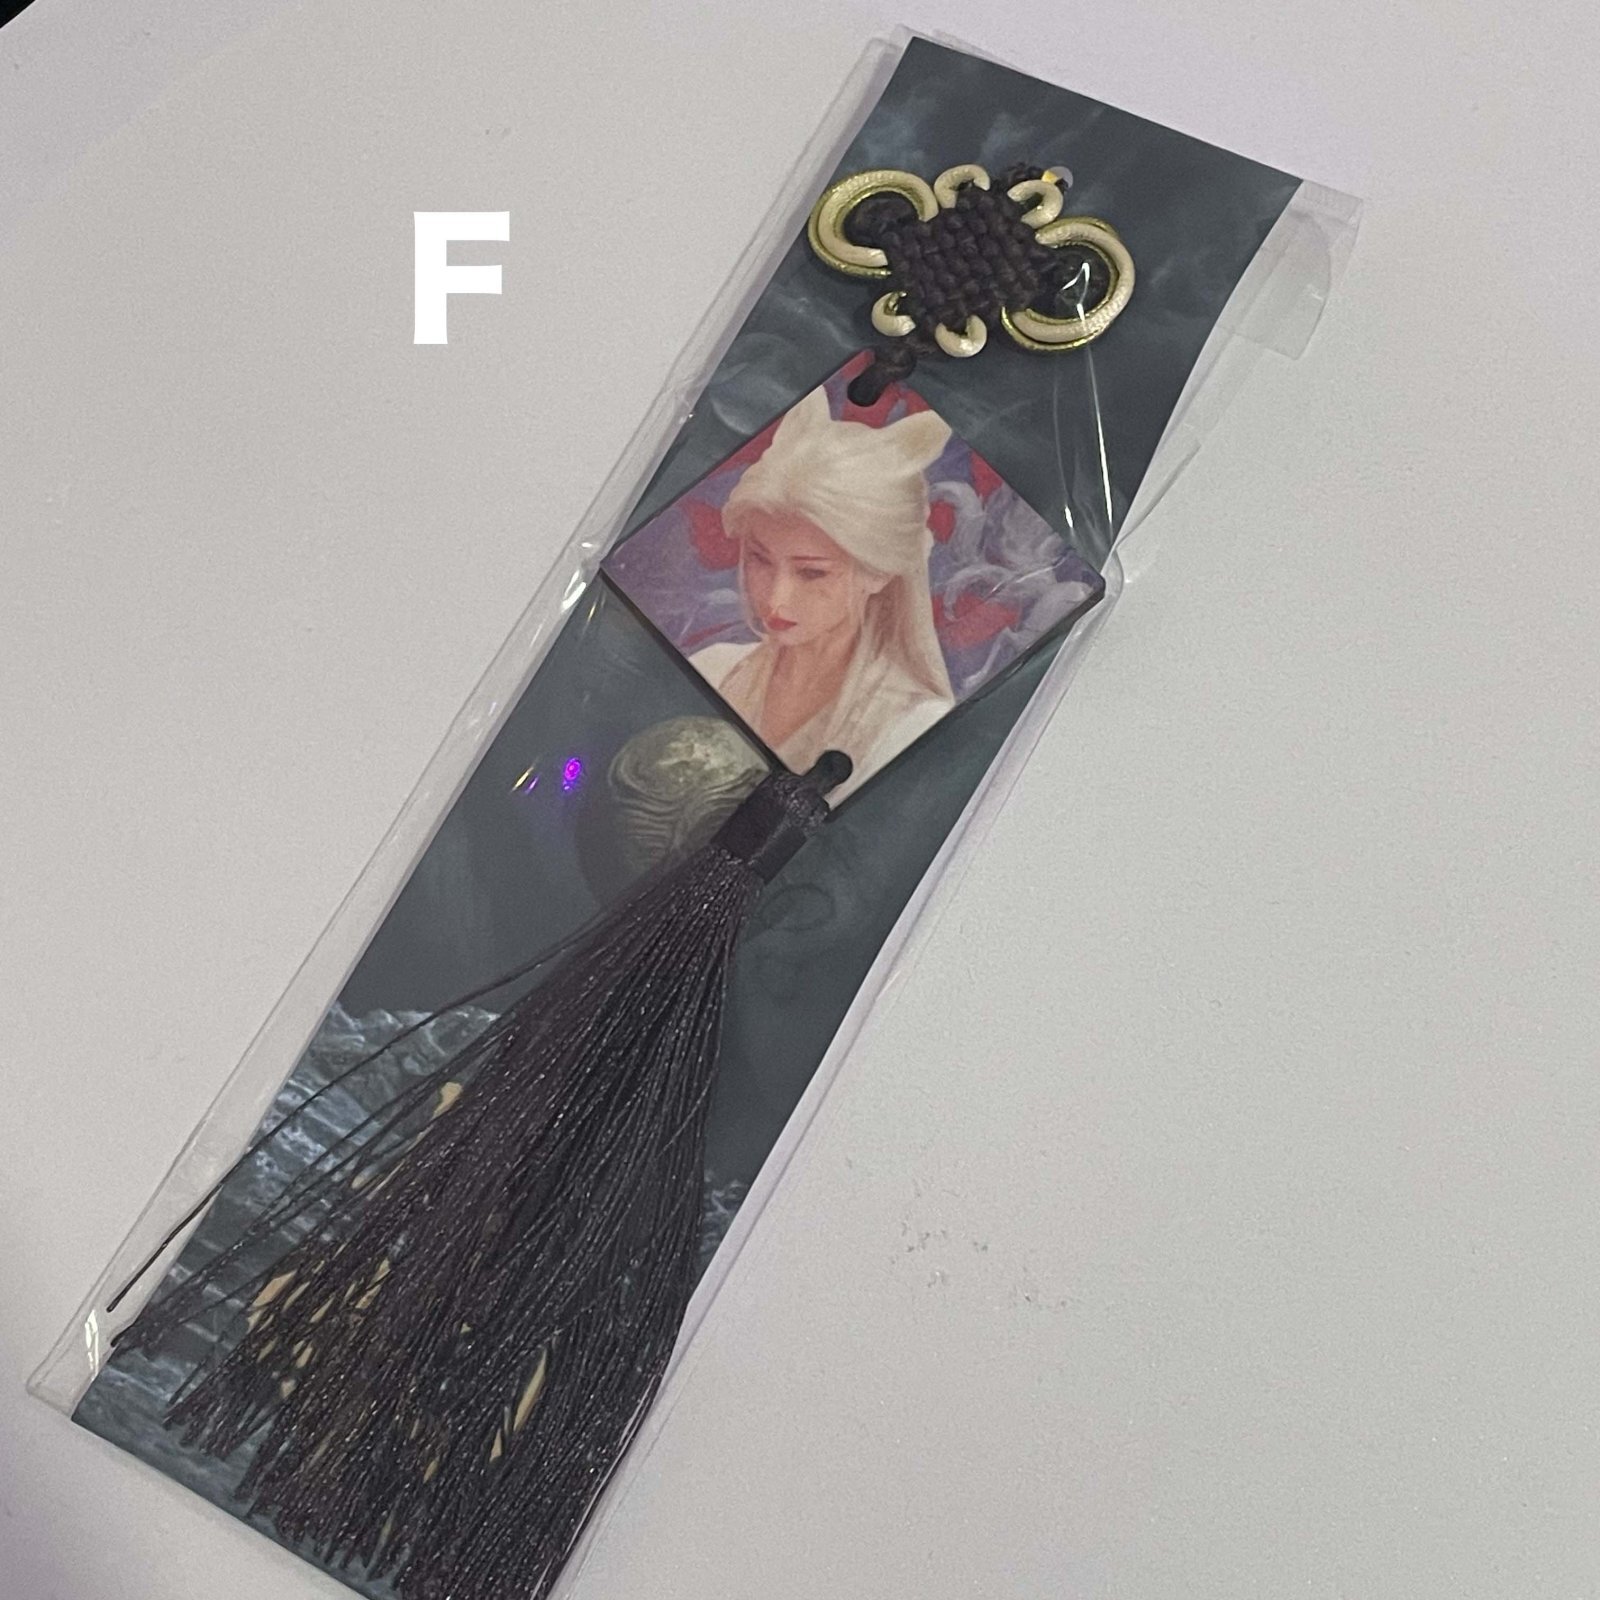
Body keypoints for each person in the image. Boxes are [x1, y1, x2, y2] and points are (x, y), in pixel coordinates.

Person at [690, 386, 955, 800]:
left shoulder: (912, 728)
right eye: (759, 558)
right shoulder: (713, 669)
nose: (775, 600)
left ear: (880, 571)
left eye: (812, 573)